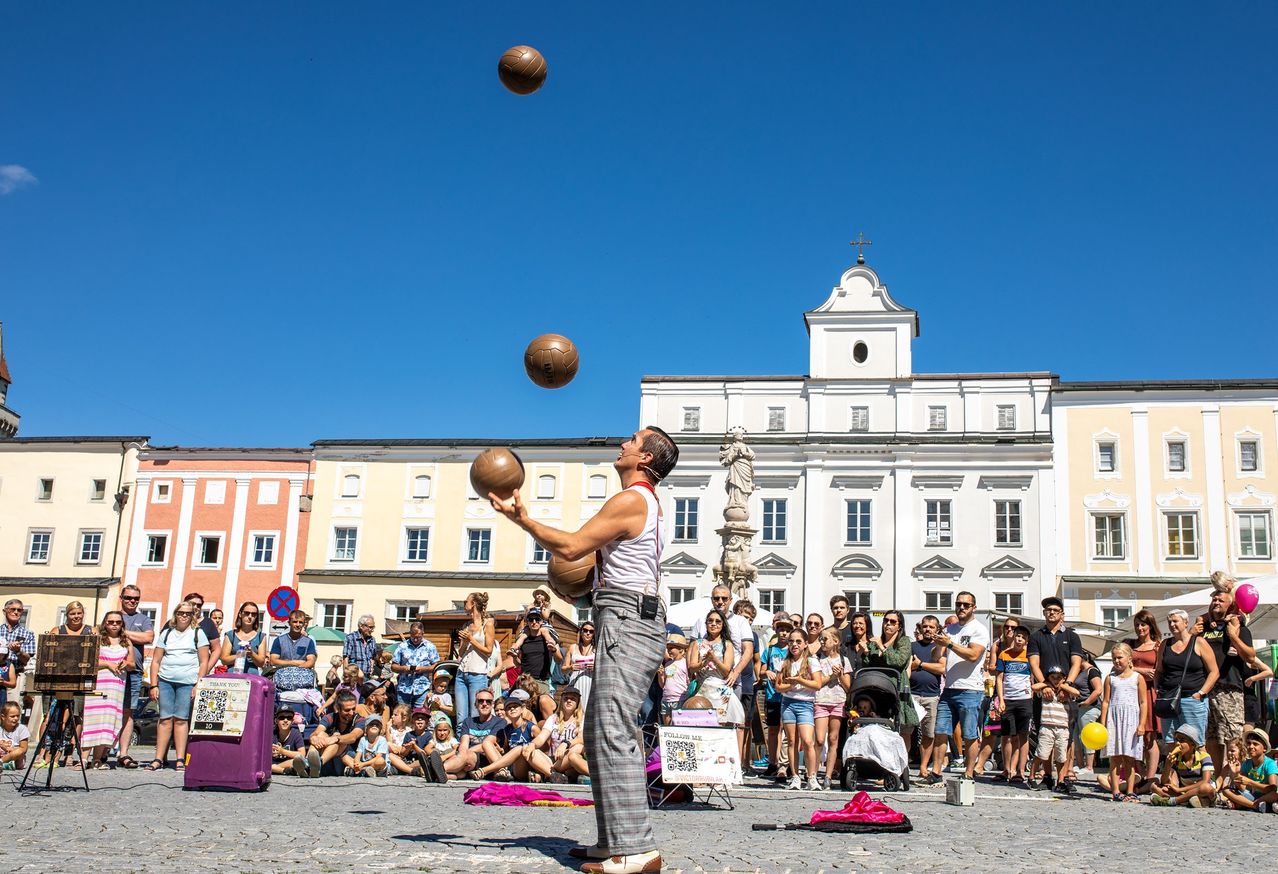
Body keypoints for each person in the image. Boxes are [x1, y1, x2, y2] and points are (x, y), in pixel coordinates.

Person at [490, 425, 678, 874]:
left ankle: (636, 849)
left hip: (629, 620)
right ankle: (612, 839)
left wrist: (523, 520)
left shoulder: (633, 498)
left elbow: (573, 546)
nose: (624, 443)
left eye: (633, 441)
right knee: (600, 730)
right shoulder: (645, 503)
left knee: (613, 730)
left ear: (646, 459)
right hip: (627, 615)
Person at [1027, 596, 1085, 790]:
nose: (1050, 613)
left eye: (1054, 610)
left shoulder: (1071, 636)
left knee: (1066, 737)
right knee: (1045, 734)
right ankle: (1047, 776)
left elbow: (1076, 662)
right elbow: (1034, 663)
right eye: (1047, 610)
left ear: (1062, 614)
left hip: (1066, 692)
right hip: (1044, 692)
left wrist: (1066, 686)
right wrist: (1044, 686)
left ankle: (1063, 778)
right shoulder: (1036, 636)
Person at [147, 601, 210, 771]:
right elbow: (156, 661)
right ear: (176, 614)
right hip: (165, 680)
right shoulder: (167, 634)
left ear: (193, 616)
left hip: (187, 681)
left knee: (181, 719)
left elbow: (204, 662)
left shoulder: (198, 633)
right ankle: (158, 758)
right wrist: (153, 685)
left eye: (188, 613)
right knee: (165, 719)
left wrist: (198, 684)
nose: (184, 616)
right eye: (181, 613)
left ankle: (180, 758)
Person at [1199, 586, 1256, 773]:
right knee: (1212, 737)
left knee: (1233, 736)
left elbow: (1250, 656)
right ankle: (1219, 777)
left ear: (1231, 605)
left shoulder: (1238, 628)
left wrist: (1233, 636)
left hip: (1230, 687)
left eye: (1220, 600)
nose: (1216, 602)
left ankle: (1236, 778)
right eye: (1213, 599)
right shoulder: (1204, 628)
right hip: (1207, 688)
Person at [934, 592, 990, 780]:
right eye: (959, 604)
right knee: (941, 731)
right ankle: (936, 772)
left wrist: (949, 644)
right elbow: (936, 657)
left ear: (974, 607)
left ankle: (968, 773)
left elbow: (973, 655)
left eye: (966, 605)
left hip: (970, 688)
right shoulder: (950, 629)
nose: (962, 608)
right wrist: (939, 643)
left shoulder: (979, 629)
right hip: (950, 687)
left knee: (969, 734)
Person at [1155, 608, 1219, 747]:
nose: (1172, 625)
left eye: (1175, 621)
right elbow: (1159, 671)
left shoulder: (1199, 642)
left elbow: (1214, 672)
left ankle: (1201, 769)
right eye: (1169, 622)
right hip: (1169, 699)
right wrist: (1157, 689)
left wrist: (1201, 693)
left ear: (1185, 622)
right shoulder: (1165, 644)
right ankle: (1177, 769)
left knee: (1196, 742)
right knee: (1171, 742)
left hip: (1192, 699)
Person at [82, 611, 134, 769]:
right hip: (99, 683)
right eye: (111, 622)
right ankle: (84, 758)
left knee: (107, 721)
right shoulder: (98, 639)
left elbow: (133, 664)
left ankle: (97, 759)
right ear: (105, 623)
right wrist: (108, 664)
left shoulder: (126, 641)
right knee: (92, 719)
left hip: (116, 685)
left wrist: (126, 663)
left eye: (118, 622)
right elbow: (88, 661)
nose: (114, 625)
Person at [775, 628, 824, 791]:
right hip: (788, 703)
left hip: (805, 704)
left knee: (808, 741)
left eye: (798, 642)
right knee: (791, 741)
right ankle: (795, 776)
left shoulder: (811, 661)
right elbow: (778, 686)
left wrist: (799, 680)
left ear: (805, 644)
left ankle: (811, 777)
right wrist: (792, 684)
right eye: (791, 642)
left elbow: (817, 684)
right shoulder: (785, 661)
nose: (794, 645)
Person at [1098, 643, 1147, 802]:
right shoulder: (1110, 679)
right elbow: (1106, 701)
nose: (1117, 661)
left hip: (1131, 720)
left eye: (1120, 657)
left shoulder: (1137, 678)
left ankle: (1131, 790)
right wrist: (1103, 722)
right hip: (1114, 719)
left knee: (1129, 758)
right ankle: (1116, 791)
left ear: (1129, 658)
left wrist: (1141, 724)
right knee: (1115, 758)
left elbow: (1143, 702)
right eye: (1114, 658)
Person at [867, 609, 919, 753]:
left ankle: (900, 765)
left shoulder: (904, 641)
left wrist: (882, 648)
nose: (888, 624)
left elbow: (898, 661)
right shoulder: (876, 641)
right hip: (879, 689)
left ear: (899, 626)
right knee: (882, 730)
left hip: (898, 689)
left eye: (892, 622)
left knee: (903, 730)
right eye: (886, 621)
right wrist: (866, 652)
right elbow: (868, 662)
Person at [687, 609, 745, 727]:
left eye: (718, 621)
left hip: (720, 689)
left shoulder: (727, 644)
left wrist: (714, 658)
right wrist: (704, 663)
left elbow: (726, 671)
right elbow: (691, 667)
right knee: (699, 724)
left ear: (723, 625)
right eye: (710, 621)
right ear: (706, 624)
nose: (714, 624)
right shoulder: (697, 643)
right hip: (702, 688)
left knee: (719, 725)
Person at [116, 585, 153, 770]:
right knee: (110, 710)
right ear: (121, 597)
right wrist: (132, 636)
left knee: (128, 712)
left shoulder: (143, 619)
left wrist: (122, 633)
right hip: (113, 671)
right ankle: (103, 751)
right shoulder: (113, 617)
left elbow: (148, 638)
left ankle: (123, 752)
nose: (132, 601)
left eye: (136, 598)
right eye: (129, 597)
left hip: (135, 672)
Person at [1127, 609, 1163, 790]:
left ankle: (1150, 777)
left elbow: (1161, 670)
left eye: (1143, 624)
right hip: (1131, 691)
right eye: (1137, 625)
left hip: (1149, 692)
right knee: (1131, 734)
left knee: (1150, 736)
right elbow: (1123, 665)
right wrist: (1141, 671)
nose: (1139, 628)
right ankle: (1137, 773)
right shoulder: (1130, 645)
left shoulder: (1158, 646)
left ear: (1150, 626)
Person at [471, 688, 538, 782]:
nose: (512, 709)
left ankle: (484, 771)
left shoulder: (532, 727)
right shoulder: (507, 729)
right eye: (509, 708)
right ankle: (503, 772)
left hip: (524, 766)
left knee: (519, 748)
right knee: (486, 743)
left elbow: (543, 750)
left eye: (515, 706)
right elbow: (506, 749)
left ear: (522, 709)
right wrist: (500, 750)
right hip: (511, 766)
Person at [813, 627, 851, 790]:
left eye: (825, 639)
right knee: (820, 739)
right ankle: (812, 774)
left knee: (833, 739)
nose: (822, 642)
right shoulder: (816, 659)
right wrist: (832, 676)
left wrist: (841, 675)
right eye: (821, 639)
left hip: (838, 701)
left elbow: (849, 686)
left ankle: (828, 776)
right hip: (821, 700)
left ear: (836, 641)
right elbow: (818, 682)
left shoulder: (844, 660)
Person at [995, 625, 1033, 785]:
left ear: (1027, 640)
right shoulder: (1004, 655)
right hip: (1008, 700)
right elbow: (999, 678)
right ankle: (1006, 769)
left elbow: (1033, 677)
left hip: (1024, 699)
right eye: (1018, 636)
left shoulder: (1030, 656)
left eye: (1023, 637)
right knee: (1006, 736)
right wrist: (1001, 699)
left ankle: (1020, 771)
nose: (1019, 639)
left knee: (1023, 735)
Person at [296, 690, 365, 778]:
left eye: (353, 709)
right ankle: (310, 765)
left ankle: (312, 765)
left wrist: (335, 738)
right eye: (347, 710)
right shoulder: (330, 717)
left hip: (347, 758)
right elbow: (316, 732)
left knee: (337, 739)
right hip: (329, 757)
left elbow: (353, 737)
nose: (351, 713)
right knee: (320, 735)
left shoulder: (360, 720)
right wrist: (313, 738)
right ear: (338, 709)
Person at [910, 616, 946, 784]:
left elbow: (942, 668)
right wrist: (914, 665)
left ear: (937, 629)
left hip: (931, 696)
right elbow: (907, 666)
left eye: (931, 627)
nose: (928, 629)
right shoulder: (912, 646)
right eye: (925, 626)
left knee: (929, 734)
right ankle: (902, 765)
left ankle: (924, 767)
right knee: (906, 732)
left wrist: (921, 664)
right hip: (912, 694)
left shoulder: (939, 648)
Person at [455, 592, 496, 729]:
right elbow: (460, 653)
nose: (464, 604)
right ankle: (462, 745)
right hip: (462, 673)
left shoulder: (488, 624)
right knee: (461, 716)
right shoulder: (466, 625)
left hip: (477, 674)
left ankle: (474, 746)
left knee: (475, 714)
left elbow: (489, 651)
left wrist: (471, 640)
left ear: (472, 604)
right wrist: (465, 643)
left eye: (466, 601)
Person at [1030, 668, 1076, 791]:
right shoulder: (1045, 691)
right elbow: (1034, 687)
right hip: (1047, 726)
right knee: (1041, 753)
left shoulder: (1066, 693)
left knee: (1061, 756)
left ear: (1064, 678)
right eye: (1053, 677)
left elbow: (1077, 693)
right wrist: (1046, 684)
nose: (1056, 680)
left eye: (1059, 678)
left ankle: (1060, 780)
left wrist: (1064, 686)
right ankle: (1031, 776)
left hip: (1062, 727)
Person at [445, 690, 507, 780]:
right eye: (481, 701)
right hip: (469, 762)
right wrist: (463, 753)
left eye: (488, 701)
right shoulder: (468, 721)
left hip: (488, 760)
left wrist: (465, 753)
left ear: (492, 705)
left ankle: (439, 769)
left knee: (467, 756)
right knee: (461, 771)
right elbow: (463, 745)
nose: (484, 704)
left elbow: (487, 744)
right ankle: (443, 775)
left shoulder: (500, 722)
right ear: (475, 704)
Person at [509, 609, 559, 719]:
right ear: (527, 622)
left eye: (537, 619)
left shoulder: (547, 637)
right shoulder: (524, 638)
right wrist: (514, 657)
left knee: (542, 707)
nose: (534, 622)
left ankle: (552, 732)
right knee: (519, 711)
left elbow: (560, 659)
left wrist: (553, 648)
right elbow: (519, 664)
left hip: (541, 682)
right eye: (531, 619)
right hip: (525, 681)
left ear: (542, 621)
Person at [1150, 724, 1215, 807]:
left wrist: (1180, 789)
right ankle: (1188, 800)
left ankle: (1173, 801)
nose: (1178, 743)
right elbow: (1164, 782)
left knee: (1205, 787)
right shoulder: (1177, 759)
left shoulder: (1204, 757)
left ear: (1192, 744)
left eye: (1182, 740)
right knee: (1154, 786)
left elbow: (1205, 781)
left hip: (1205, 791)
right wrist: (1167, 765)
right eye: (1176, 740)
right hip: (1185, 791)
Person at [1219, 727, 1278, 811]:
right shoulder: (1247, 763)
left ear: (1264, 748)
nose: (1251, 746)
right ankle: (1255, 806)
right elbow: (1242, 788)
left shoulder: (1270, 764)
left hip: (1267, 796)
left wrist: (1251, 782)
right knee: (1226, 791)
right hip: (1252, 796)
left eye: (1255, 744)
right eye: (1249, 743)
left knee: (1274, 795)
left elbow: (1272, 788)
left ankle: (1247, 804)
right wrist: (1235, 774)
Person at [391, 621, 440, 710]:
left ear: (423, 633)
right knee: (403, 714)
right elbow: (393, 666)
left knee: (419, 715)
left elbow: (436, 666)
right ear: (410, 633)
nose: (416, 640)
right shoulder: (402, 646)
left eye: (418, 637)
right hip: (404, 687)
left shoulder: (430, 647)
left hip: (422, 687)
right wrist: (404, 669)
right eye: (413, 637)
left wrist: (423, 669)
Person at [0, 600, 36, 708]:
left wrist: (18, 651)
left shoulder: (28, 634)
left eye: (19, 610)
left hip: (16, 675)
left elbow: (26, 659)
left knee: (12, 709)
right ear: (5, 611)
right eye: (13, 609)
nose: (16, 612)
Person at [1074, 653, 1104, 775]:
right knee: (1077, 736)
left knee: (1087, 736)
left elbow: (1098, 689)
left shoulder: (1092, 671)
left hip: (1090, 708)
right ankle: (1081, 765)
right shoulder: (1081, 671)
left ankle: (1089, 766)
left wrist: (1087, 702)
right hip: (1080, 707)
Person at [219, 601, 268, 674]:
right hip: (232, 676)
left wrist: (252, 654)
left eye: (253, 614)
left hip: (252, 677)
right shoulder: (230, 635)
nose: (250, 616)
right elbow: (224, 659)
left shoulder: (261, 636)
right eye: (247, 613)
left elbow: (261, 662)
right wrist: (241, 654)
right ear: (240, 614)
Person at [181, 593, 222, 676]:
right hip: (172, 671)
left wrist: (206, 669)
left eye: (199, 605)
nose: (196, 607)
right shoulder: (174, 622)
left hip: (197, 672)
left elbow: (216, 649)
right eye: (192, 604)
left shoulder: (208, 623)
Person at [560, 621, 596, 711]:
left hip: (591, 683)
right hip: (575, 682)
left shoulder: (597, 648)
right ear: (581, 632)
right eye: (585, 630)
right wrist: (571, 667)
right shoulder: (573, 647)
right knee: (575, 710)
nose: (588, 633)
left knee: (588, 709)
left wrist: (596, 667)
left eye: (591, 631)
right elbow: (563, 669)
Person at [658, 634, 690, 723]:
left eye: (671, 648)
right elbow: (662, 685)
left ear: (680, 649)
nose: (669, 651)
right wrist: (660, 675)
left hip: (680, 699)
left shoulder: (686, 663)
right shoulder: (667, 664)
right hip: (666, 699)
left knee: (679, 725)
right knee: (667, 726)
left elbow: (689, 681)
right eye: (668, 649)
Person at [270, 707, 306, 775]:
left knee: (297, 761)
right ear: (276, 721)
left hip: (287, 763)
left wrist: (282, 751)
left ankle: (276, 769)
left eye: (289, 718)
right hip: (271, 763)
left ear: (292, 721)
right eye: (281, 717)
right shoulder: (270, 733)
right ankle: (285, 771)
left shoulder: (296, 734)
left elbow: (302, 754)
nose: (285, 720)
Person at [343, 614, 379, 679]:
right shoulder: (350, 638)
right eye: (370, 627)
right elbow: (346, 658)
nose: (372, 630)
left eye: (373, 627)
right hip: (354, 676)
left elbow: (372, 657)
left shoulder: (372, 639)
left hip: (368, 676)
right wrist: (346, 675)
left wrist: (371, 669)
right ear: (361, 626)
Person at [0, 701, 31, 770]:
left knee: (19, 751)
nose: (16, 718)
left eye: (18, 716)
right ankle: (5, 765)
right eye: (12, 716)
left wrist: (10, 749)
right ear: (3, 717)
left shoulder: (22, 728)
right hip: (1, 754)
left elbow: (24, 749)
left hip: (15, 758)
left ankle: (1, 762)